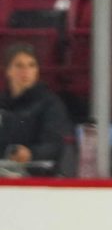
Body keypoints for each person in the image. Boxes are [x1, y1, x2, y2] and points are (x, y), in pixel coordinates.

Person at [0, 42, 71, 176]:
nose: (25, 71)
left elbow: (54, 145)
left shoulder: (50, 103)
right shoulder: (2, 104)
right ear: (8, 70)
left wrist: (31, 153)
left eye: (31, 65)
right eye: (19, 65)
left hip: (39, 177)